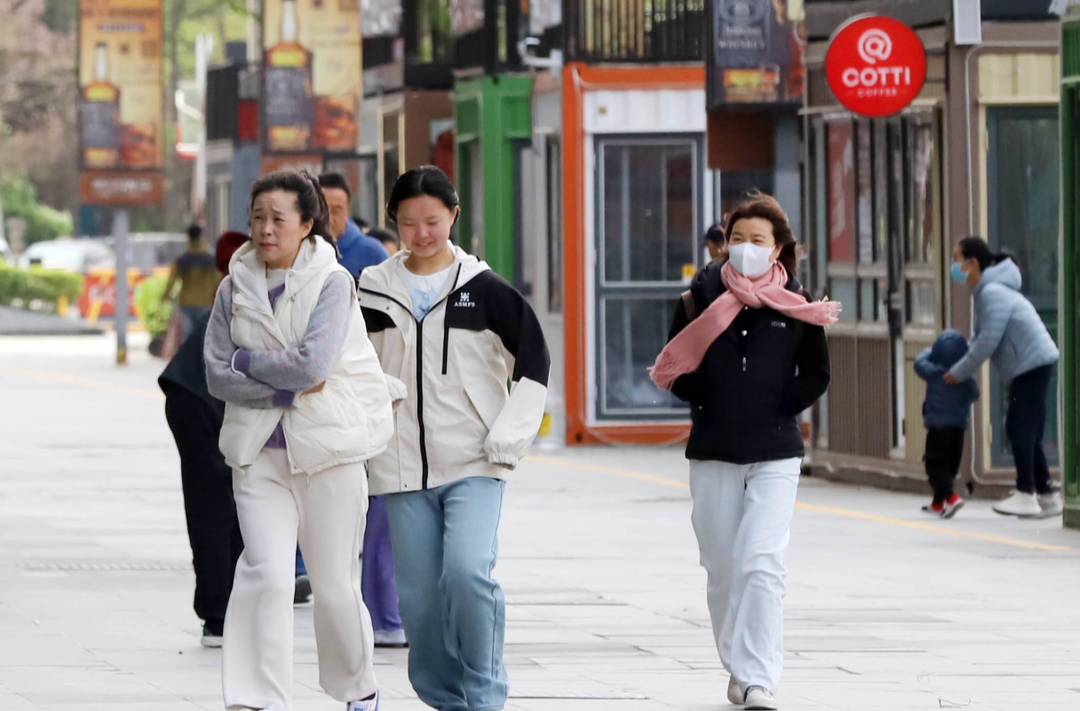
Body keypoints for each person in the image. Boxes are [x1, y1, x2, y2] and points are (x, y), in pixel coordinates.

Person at [358, 166, 550, 711]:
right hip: (400, 467)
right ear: (394, 220)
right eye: (408, 222)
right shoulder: (371, 289)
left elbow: (534, 362)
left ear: (454, 216)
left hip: (475, 462)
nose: (421, 233)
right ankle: (446, 698)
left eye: (433, 221)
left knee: (467, 574)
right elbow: (352, 363)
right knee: (418, 599)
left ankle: (485, 696)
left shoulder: (485, 291)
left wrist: (507, 439)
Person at [205, 170, 393, 711]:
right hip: (258, 454)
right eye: (257, 218)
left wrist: (248, 362)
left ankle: (358, 689)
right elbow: (217, 374)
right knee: (265, 573)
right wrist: (281, 386)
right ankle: (257, 699)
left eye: (278, 219)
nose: (265, 229)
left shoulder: (333, 282)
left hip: (328, 452)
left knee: (333, 586)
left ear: (307, 224)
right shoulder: (233, 285)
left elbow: (314, 365)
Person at [652, 193, 838, 711]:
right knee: (722, 568)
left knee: (761, 562)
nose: (746, 247)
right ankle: (738, 663)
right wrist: (710, 398)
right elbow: (673, 367)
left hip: (776, 450)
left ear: (777, 248)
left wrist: (779, 404)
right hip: (713, 449)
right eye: (737, 238)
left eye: (758, 240)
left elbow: (817, 373)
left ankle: (758, 678)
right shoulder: (697, 300)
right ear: (725, 243)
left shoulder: (797, 305)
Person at [159, 230, 249, 648]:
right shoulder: (259, 280)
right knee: (216, 502)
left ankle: (229, 606)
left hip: (206, 394)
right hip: (198, 397)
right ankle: (218, 613)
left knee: (235, 500)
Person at [944, 237, 1062, 518]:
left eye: (956, 259)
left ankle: (1026, 493)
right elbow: (979, 338)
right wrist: (959, 364)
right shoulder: (988, 291)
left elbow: (987, 342)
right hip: (1032, 362)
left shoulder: (992, 292)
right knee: (1029, 430)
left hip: (1030, 363)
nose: (954, 267)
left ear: (972, 263)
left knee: (1018, 428)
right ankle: (1045, 494)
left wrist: (958, 373)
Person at [914, 330, 980, 519]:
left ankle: (952, 497)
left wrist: (932, 351)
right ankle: (938, 503)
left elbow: (918, 361)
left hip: (937, 427)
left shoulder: (933, 372)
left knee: (934, 466)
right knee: (950, 466)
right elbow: (975, 395)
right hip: (958, 427)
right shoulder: (966, 378)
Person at [319, 173, 387, 277]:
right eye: (321, 210)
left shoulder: (373, 253)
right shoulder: (299, 251)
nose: (329, 219)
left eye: (336, 211)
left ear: (348, 210)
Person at [162, 224, 222, 338]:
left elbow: (171, 281)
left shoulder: (182, 260)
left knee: (188, 335)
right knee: (204, 334)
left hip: (186, 302)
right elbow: (218, 280)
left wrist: (165, 297)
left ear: (188, 238)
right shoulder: (210, 259)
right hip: (205, 301)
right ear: (201, 237)